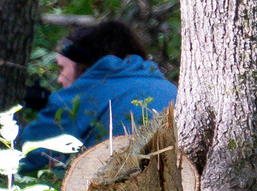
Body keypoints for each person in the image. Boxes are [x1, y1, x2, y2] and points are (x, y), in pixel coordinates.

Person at [12, 20, 177, 168]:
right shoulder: (169, 88)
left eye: (62, 68)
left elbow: (25, 152)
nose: (60, 80)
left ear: (84, 65)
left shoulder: (82, 96)